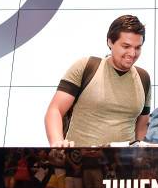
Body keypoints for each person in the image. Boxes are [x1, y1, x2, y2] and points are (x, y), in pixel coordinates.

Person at [45, 15, 151, 147]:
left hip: (124, 164)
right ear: (110, 42)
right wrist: (57, 143)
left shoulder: (143, 77)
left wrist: (141, 155)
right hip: (79, 161)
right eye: (126, 46)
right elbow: (55, 110)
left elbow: (142, 123)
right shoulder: (86, 66)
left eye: (137, 48)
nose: (132, 53)